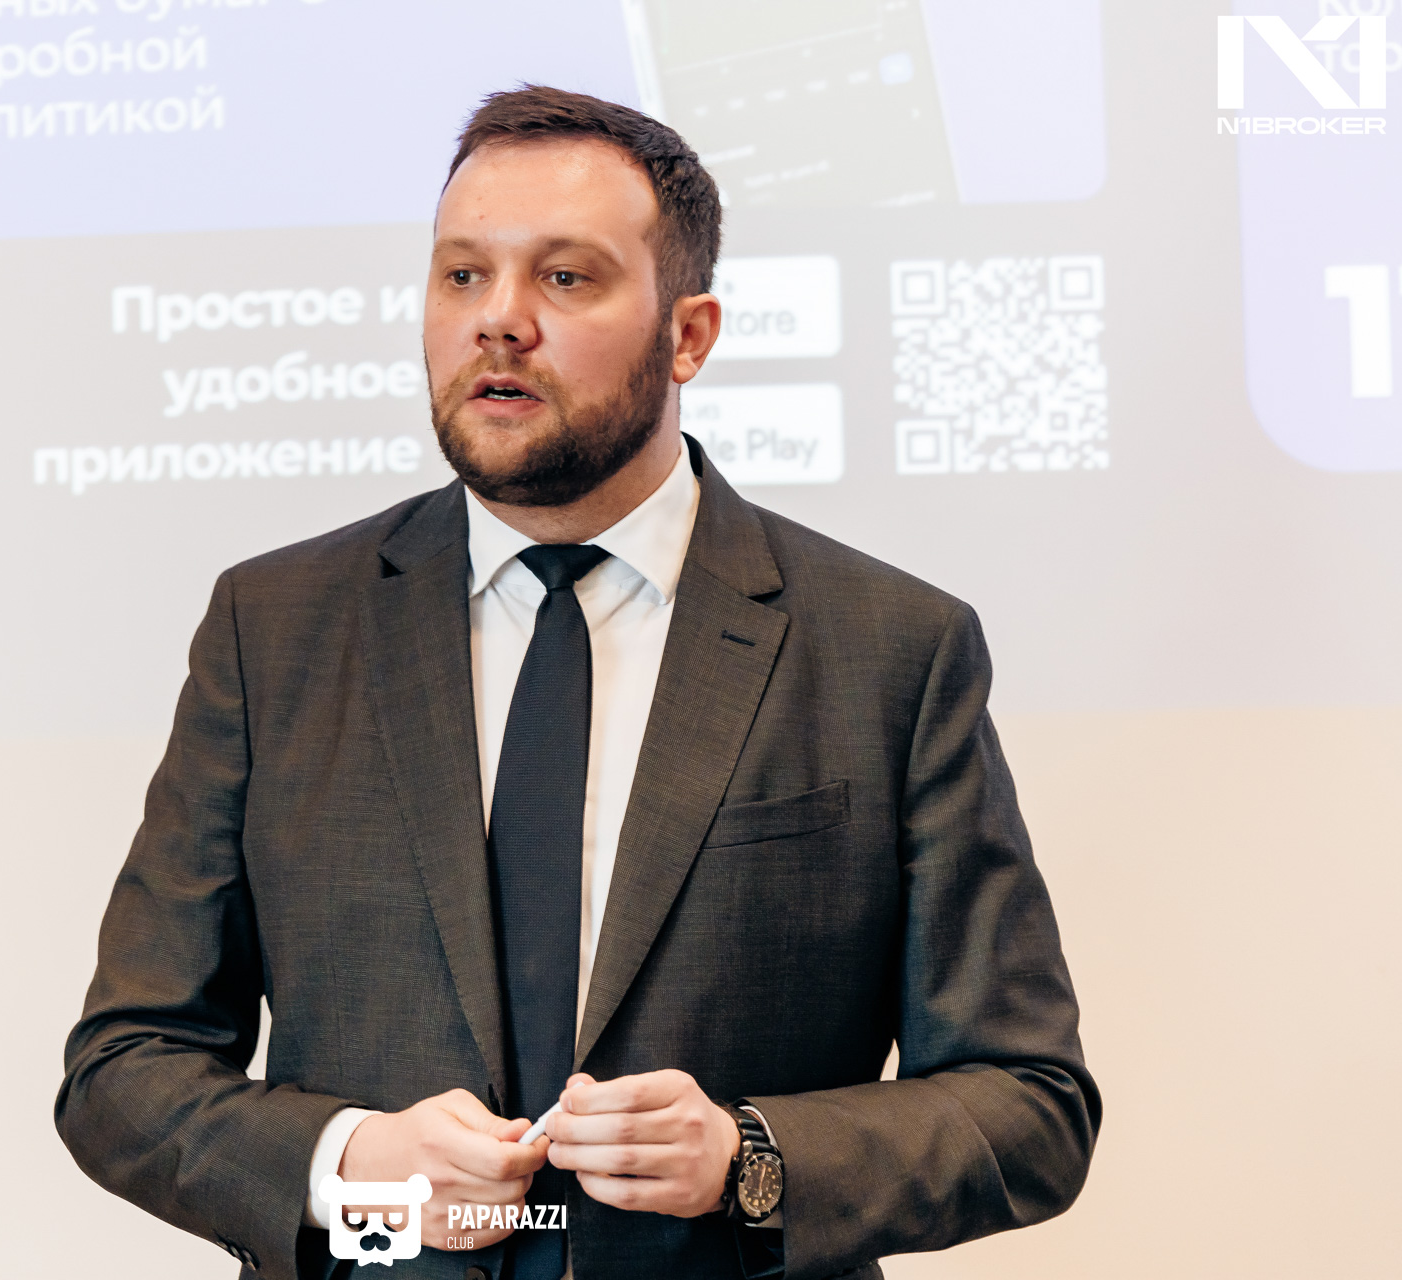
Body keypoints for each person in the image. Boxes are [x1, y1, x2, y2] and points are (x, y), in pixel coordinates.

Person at [56, 85, 1099, 1280]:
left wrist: (749, 1158)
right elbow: (123, 1069)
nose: (498, 321)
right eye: (462, 275)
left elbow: (1031, 1102)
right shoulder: (275, 628)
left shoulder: (889, 647)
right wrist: (353, 1166)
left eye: (564, 277)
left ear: (689, 335)